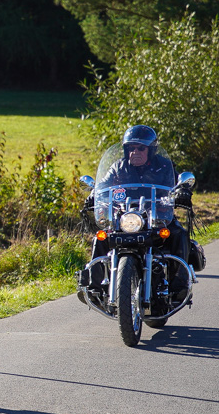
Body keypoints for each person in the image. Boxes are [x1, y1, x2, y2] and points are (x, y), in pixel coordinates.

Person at [82, 125, 192, 298]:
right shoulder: (118, 167)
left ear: (151, 149)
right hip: (125, 218)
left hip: (156, 216)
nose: (135, 152)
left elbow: (178, 182)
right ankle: (94, 287)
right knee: (101, 237)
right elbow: (103, 185)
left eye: (141, 148)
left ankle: (179, 285)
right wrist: (94, 194)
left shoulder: (164, 166)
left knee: (179, 234)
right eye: (131, 148)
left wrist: (182, 191)